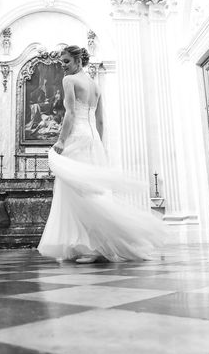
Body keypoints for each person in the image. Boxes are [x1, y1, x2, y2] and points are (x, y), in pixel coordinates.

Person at [38, 45, 167, 263]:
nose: (63, 65)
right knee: (90, 192)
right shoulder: (95, 86)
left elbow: (70, 113)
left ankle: (94, 246)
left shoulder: (69, 81)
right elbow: (100, 122)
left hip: (77, 137)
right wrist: (99, 144)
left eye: (67, 61)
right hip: (93, 140)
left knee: (79, 192)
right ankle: (83, 245)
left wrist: (61, 140)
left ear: (79, 61)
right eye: (62, 61)